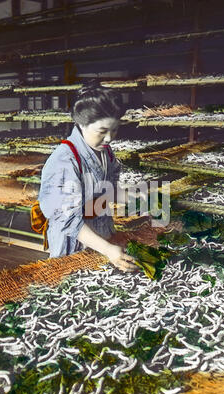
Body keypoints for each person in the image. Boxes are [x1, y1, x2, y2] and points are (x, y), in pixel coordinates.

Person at [38, 83, 138, 273]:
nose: (109, 138)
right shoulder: (64, 161)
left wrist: (137, 198)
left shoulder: (105, 152)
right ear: (81, 123)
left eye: (114, 130)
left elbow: (108, 190)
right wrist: (107, 249)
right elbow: (67, 220)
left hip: (103, 235)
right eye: (102, 131)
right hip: (74, 244)